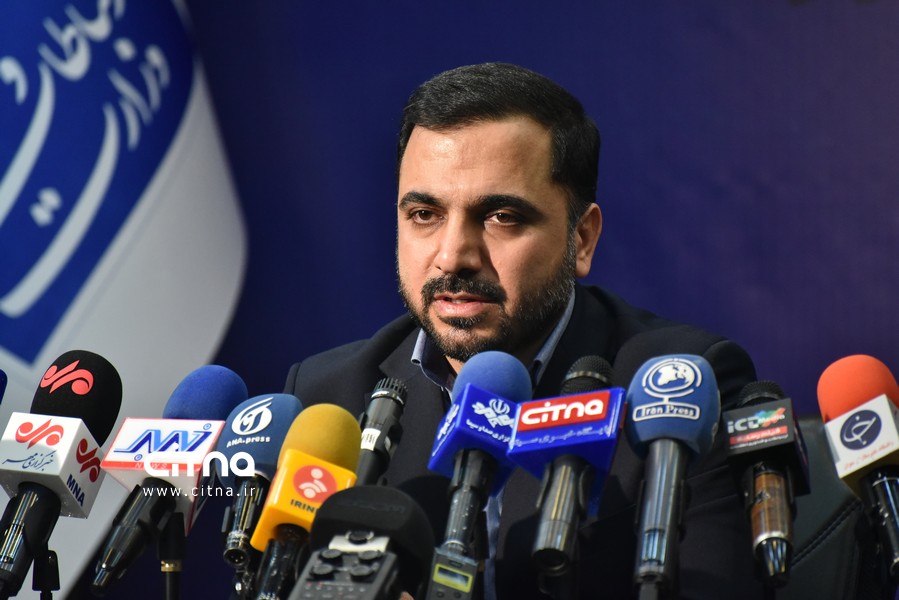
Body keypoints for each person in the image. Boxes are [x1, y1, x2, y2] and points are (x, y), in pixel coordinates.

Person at [285, 62, 764, 599]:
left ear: (581, 239)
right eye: (424, 214)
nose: (453, 256)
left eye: (501, 217)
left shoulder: (679, 391)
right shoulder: (327, 398)